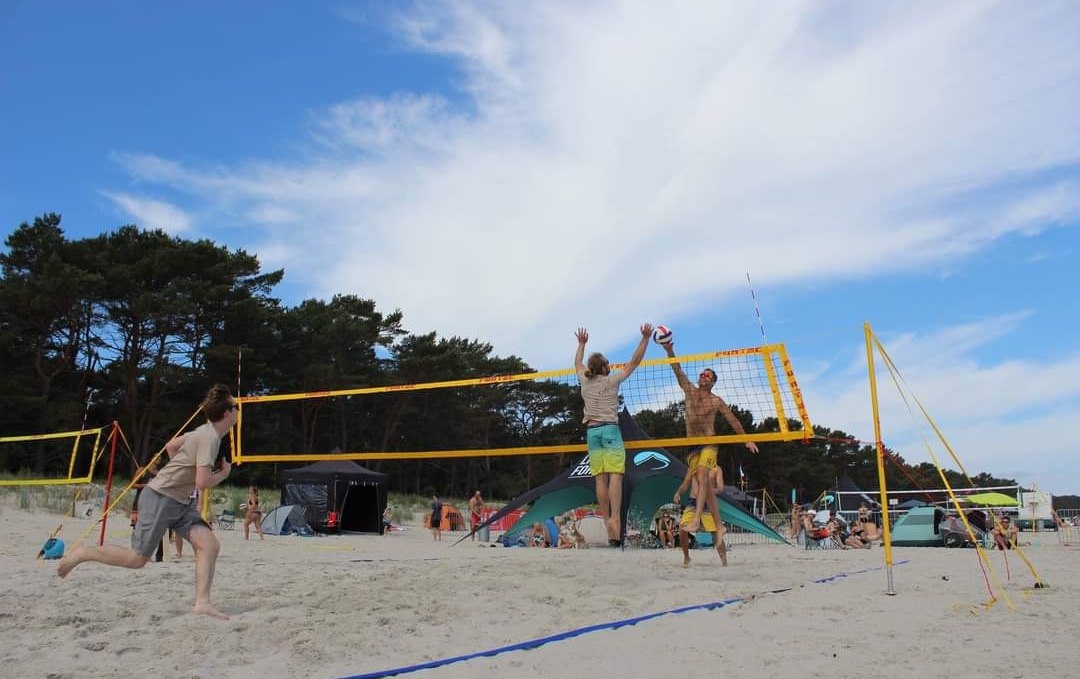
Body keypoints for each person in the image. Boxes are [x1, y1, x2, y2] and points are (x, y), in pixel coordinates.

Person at [57, 384, 238, 619]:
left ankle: (202, 603)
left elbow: (171, 446)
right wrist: (223, 474)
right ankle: (83, 553)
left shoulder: (202, 431)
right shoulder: (210, 437)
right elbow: (203, 482)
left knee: (209, 545)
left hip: (179, 501)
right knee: (137, 559)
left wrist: (179, 471)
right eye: (236, 407)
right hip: (160, 498)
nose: (238, 411)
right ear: (227, 413)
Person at [661, 340, 758, 534]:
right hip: (691, 444)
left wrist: (746, 439)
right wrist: (670, 350)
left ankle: (697, 520)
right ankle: (718, 524)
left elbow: (734, 421)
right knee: (698, 481)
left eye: (707, 375)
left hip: (709, 443)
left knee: (704, 474)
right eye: (702, 374)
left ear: (712, 382)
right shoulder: (689, 390)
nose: (703, 377)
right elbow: (677, 369)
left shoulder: (716, 401)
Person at [574, 324, 652, 546]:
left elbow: (577, 363)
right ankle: (616, 518)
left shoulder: (584, 380)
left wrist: (581, 344)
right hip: (609, 430)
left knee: (600, 477)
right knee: (615, 475)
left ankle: (607, 518)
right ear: (605, 368)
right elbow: (634, 363)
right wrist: (645, 339)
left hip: (592, 432)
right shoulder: (612, 380)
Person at [674, 452, 726, 567]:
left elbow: (721, 487)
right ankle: (686, 557)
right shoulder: (694, 466)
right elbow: (685, 483)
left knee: (716, 533)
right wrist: (678, 493)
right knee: (682, 529)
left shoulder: (717, 469)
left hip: (708, 503)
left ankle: (724, 561)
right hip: (693, 503)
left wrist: (712, 491)